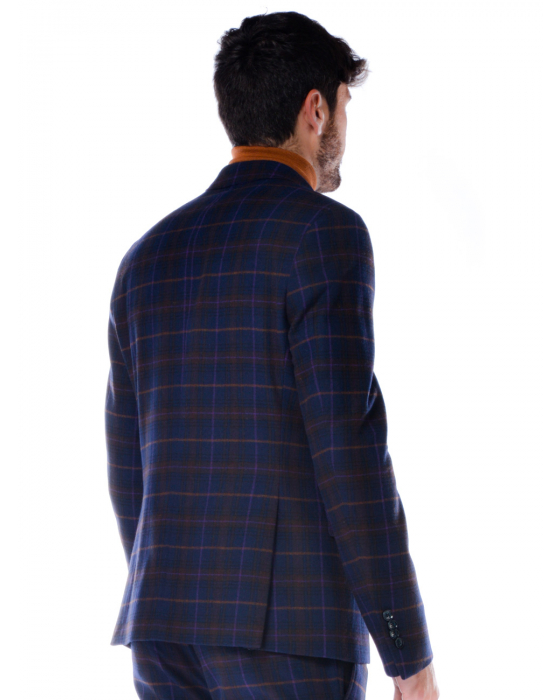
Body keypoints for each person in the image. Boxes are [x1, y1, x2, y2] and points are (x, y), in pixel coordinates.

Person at [105, 11, 439, 699]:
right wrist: (407, 653)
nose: (344, 127)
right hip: (290, 637)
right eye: (344, 104)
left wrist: (172, 593)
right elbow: (349, 452)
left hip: (161, 632)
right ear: (315, 110)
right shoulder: (324, 234)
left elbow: (127, 463)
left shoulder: (146, 257)